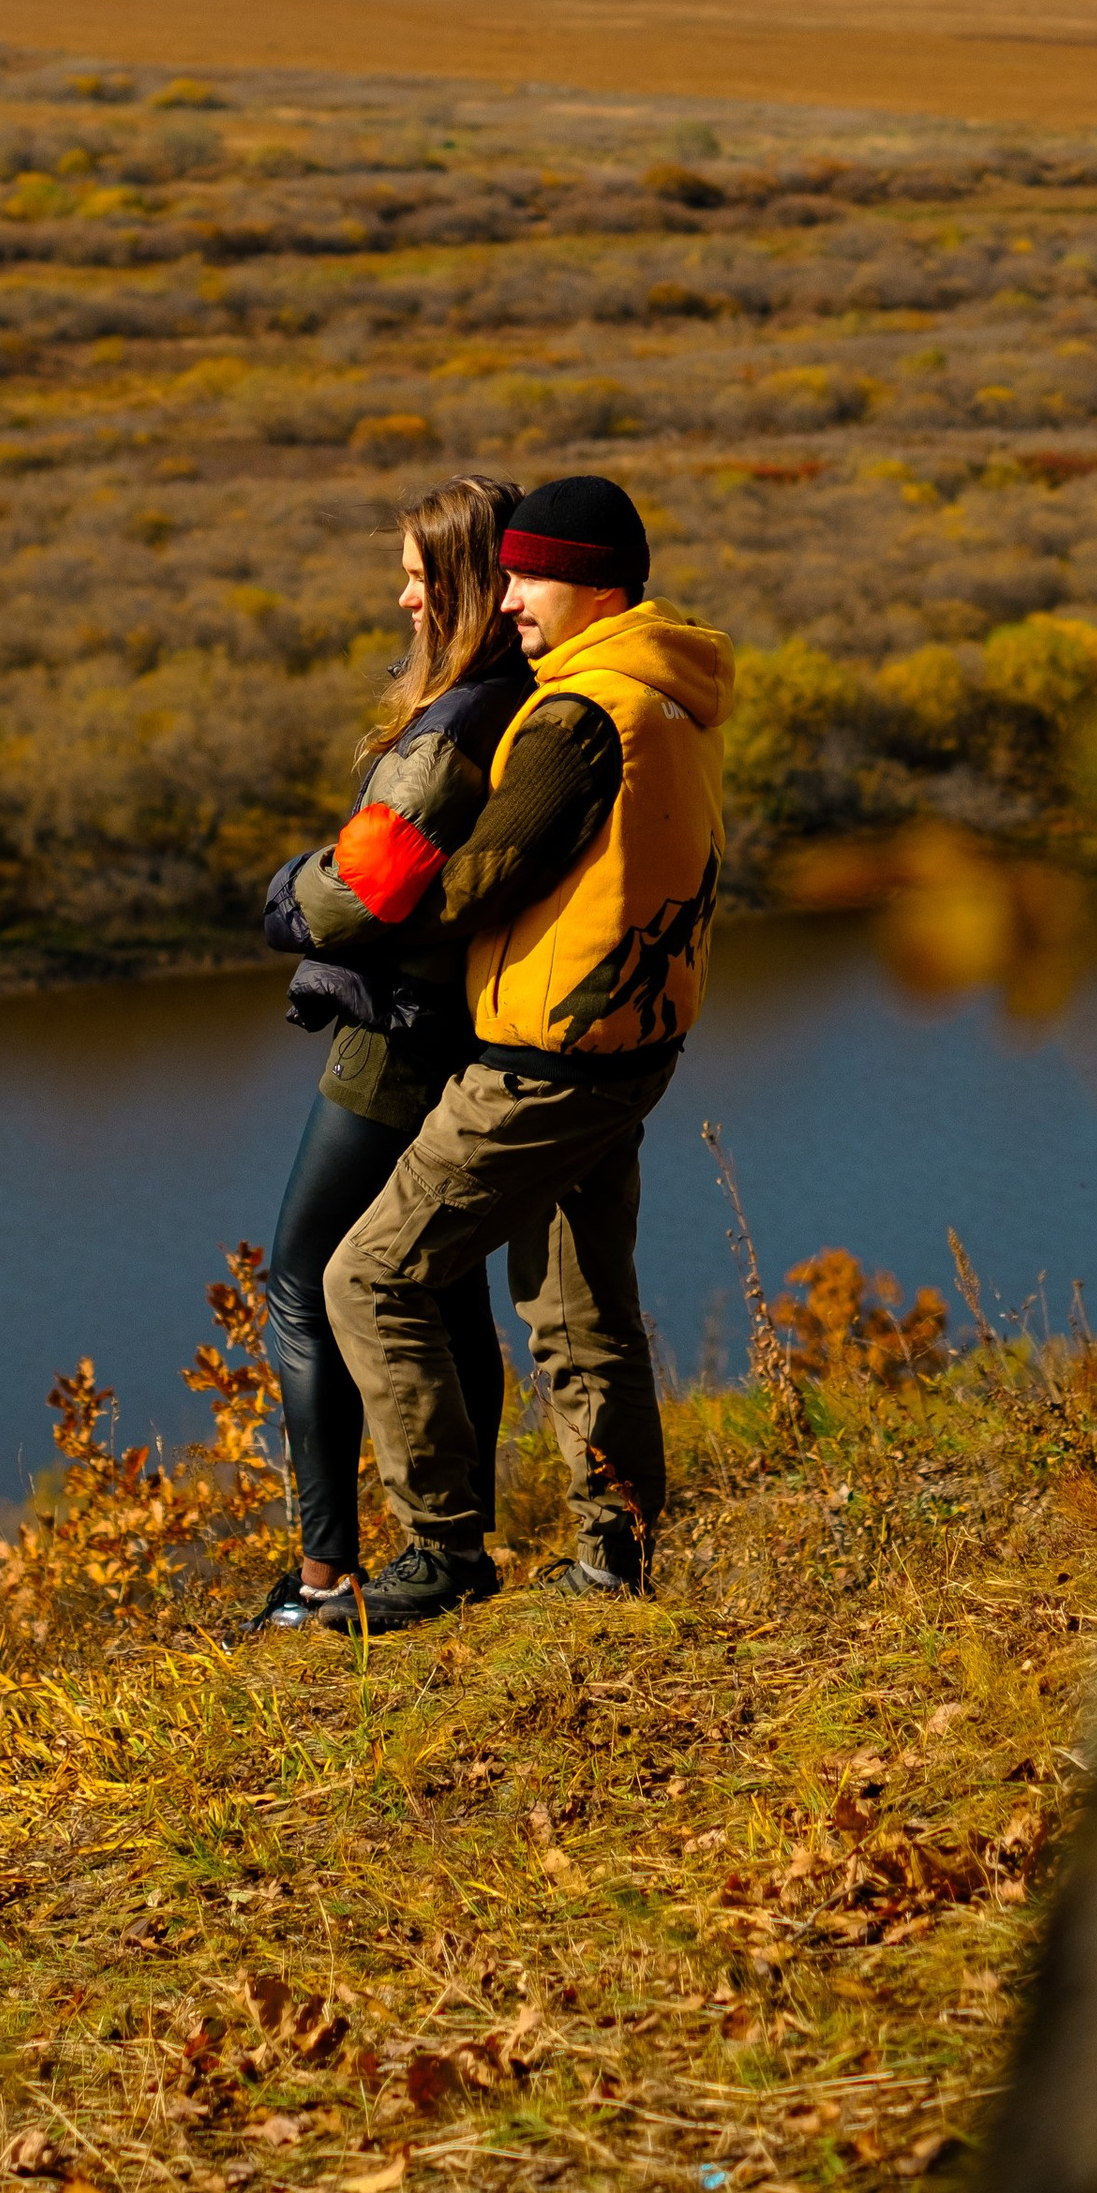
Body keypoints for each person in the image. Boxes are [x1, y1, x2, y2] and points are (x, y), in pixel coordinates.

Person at [319, 473, 733, 1631]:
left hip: (546, 1057)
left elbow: (475, 883)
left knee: (371, 1277)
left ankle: (440, 1550)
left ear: (593, 584)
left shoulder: (577, 716)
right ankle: (616, 1552)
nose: (503, 604)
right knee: (576, 1303)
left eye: (524, 579)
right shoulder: (672, 695)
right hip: (627, 1041)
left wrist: (355, 888)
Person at [240, 475, 530, 1636]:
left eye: (419, 574)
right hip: (466, 1027)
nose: (402, 595)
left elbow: (362, 893)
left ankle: (323, 1579)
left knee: (300, 1280)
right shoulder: (527, 701)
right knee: (440, 1284)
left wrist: (283, 902)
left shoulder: (455, 723)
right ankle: (455, 1541)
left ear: (463, 585)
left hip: (393, 1042)